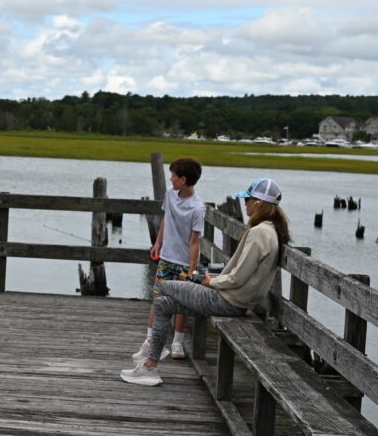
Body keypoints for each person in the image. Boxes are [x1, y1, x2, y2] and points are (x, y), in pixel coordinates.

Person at [121, 177, 291, 386]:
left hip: (228, 301)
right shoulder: (271, 230)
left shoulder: (259, 233)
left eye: (248, 199)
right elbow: (243, 274)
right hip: (235, 299)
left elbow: (239, 276)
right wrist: (214, 279)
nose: (245, 203)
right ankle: (150, 365)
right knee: (163, 304)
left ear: (258, 202)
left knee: (164, 286)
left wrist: (211, 282)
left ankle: (152, 350)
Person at [132, 157, 204, 363]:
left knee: (181, 303)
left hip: (184, 261)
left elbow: (195, 240)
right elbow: (166, 219)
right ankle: (150, 341)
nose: (170, 179)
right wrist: (158, 243)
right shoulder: (170, 195)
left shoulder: (197, 208)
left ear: (183, 179)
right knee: (157, 299)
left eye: (173, 176)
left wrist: (192, 269)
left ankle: (177, 341)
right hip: (166, 258)